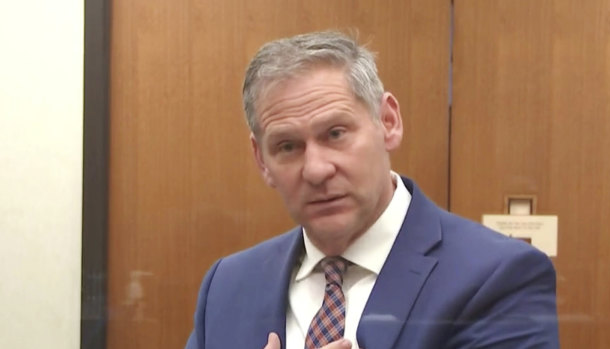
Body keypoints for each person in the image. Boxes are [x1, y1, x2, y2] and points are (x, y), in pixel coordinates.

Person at [185, 31, 559, 349]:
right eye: (287, 147)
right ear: (261, 159)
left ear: (388, 122)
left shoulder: (497, 277)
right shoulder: (226, 286)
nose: (316, 169)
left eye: (335, 134)